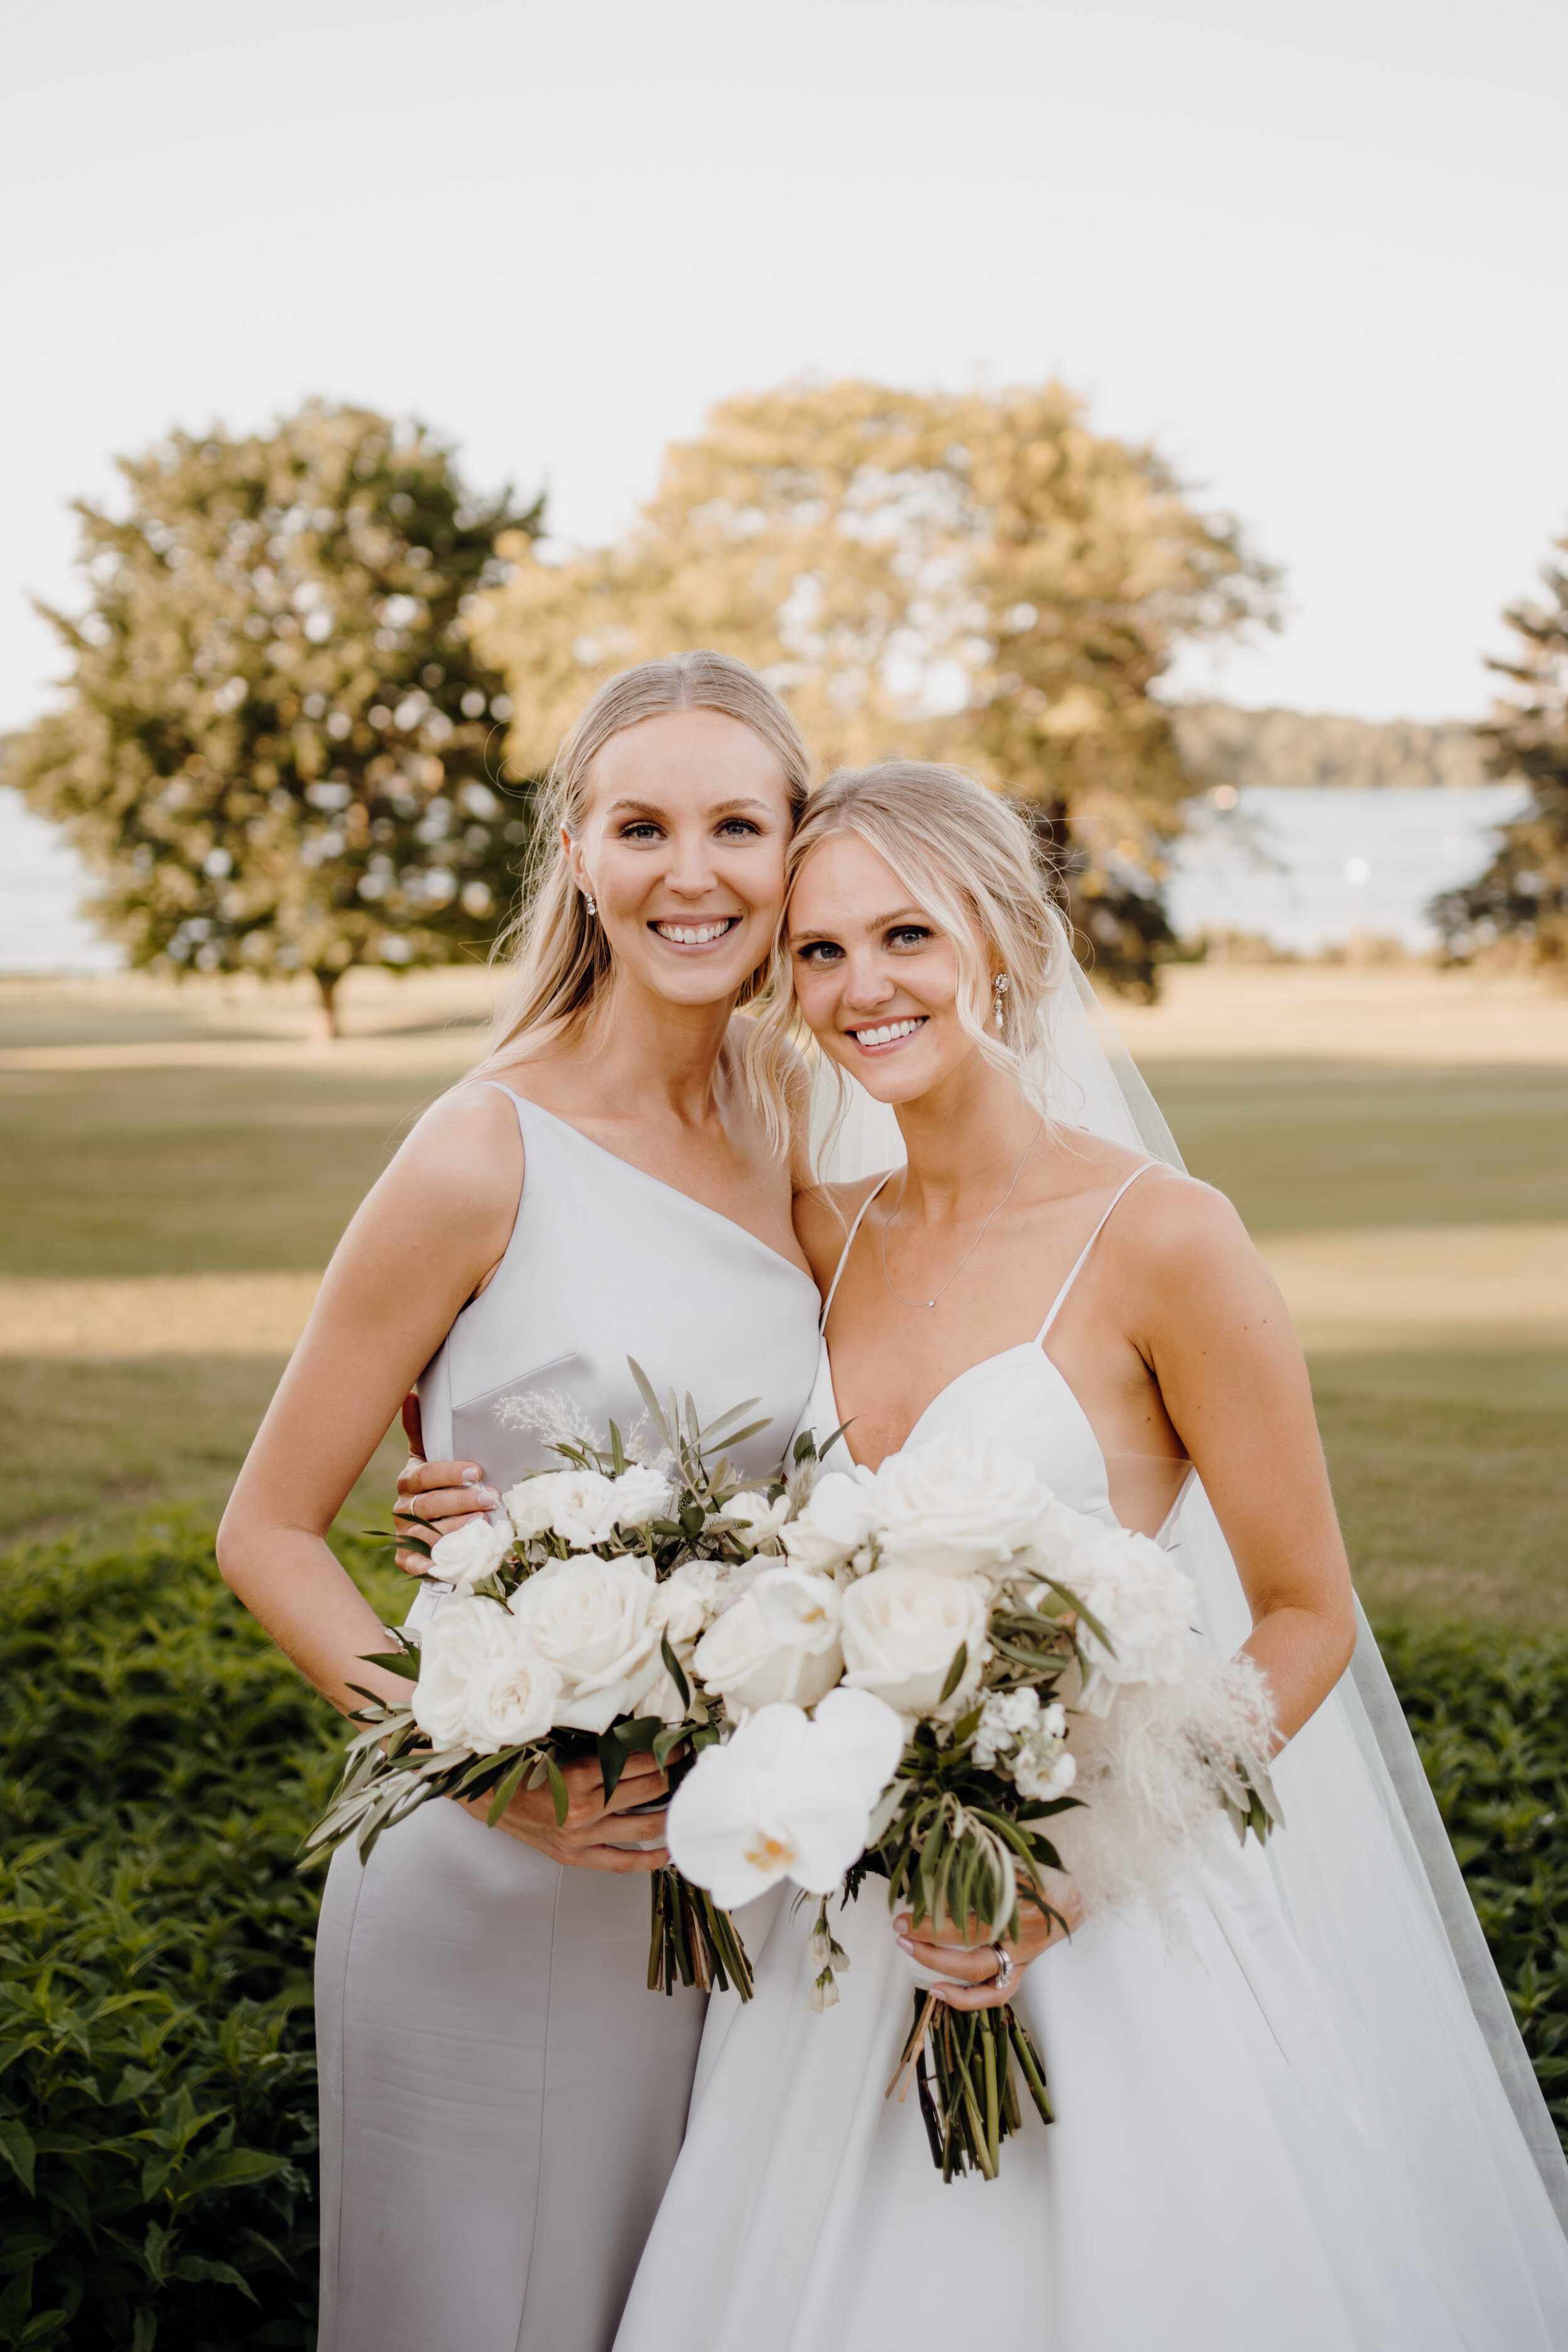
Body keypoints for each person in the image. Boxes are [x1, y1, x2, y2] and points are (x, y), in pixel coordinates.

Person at [604, 761, 1568, 2351]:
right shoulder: (817, 1230)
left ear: (1009, 948)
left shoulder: (1166, 1238)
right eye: (820, 954)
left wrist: (1061, 1879)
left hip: (1093, 1929)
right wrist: (469, 1468)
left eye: (904, 934)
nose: (859, 989)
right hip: (842, 1944)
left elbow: (1306, 1613)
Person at [216, 652, 824, 2352]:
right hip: (502, 1867)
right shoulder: (485, 1144)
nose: (686, 873)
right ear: (576, 847)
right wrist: (485, 1776)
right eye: (641, 824)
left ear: (796, 850)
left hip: (743, 1875)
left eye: (734, 825)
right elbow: (264, 1529)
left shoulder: (807, 1122)